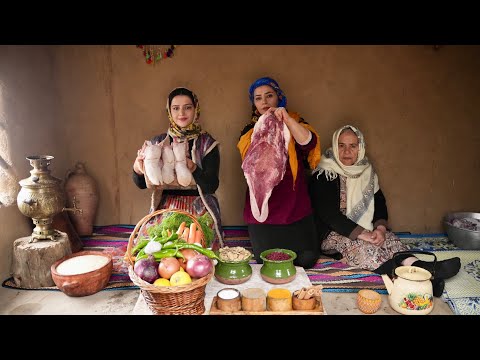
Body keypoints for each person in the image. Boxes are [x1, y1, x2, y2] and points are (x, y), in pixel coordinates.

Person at [309, 124, 460, 296]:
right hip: (332, 233)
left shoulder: (366, 170)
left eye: (353, 146)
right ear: (335, 146)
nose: (346, 151)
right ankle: (420, 282)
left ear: (360, 148)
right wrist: (363, 234)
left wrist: (380, 229)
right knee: (368, 249)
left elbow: (379, 202)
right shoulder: (325, 173)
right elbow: (329, 215)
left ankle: (424, 268)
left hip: (361, 227)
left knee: (389, 240)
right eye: (341, 145)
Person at [237, 76, 322, 268]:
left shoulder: (296, 122)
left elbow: (309, 143)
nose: (264, 102)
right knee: (267, 261)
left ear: (279, 97)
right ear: (254, 104)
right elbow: (250, 164)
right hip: (264, 207)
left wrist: (287, 120)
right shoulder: (250, 131)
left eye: (269, 95)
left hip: (294, 205)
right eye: (258, 98)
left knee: (306, 260)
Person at [132, 87, 223, 249]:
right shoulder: (158, 142)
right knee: (155, 247)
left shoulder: (207, 144)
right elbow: (141, 183)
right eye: (175, 108)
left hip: (200, 206)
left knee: (197, 248)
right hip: (166, 205)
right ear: (169, 111)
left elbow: (211, 185)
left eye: (187, 107)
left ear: (196, 109)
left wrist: (193, 167)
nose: (181, 113)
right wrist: (138, 169)